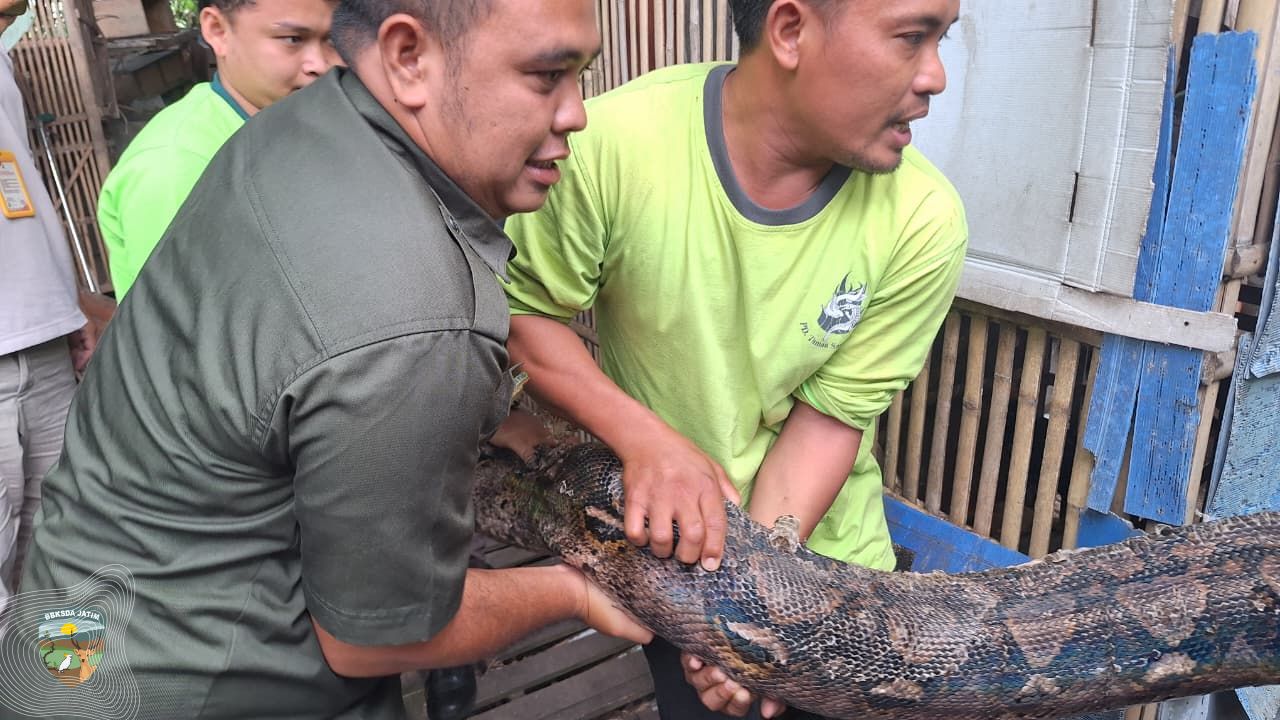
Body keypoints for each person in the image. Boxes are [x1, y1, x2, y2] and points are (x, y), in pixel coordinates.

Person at [18, 1, 650, 718]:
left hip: (76, 620)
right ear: (408, 56)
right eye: (545, 76)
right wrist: (580, 593)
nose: (576, 114)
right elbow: (374, 638)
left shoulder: (298, 125)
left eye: (581, 75)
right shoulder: (416, 315)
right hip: (195, 682)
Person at [502, 0, 966, 717]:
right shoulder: (611, 147)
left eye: (942, 39)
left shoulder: (923, 220)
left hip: (828, 563)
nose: (935, 75)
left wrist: (751, 615)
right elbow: (526, 315)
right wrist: (648, 441)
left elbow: (828, 422)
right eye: (911, 37)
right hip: (671, 554)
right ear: (790, 30)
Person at [98, 0, 340, 298]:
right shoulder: (176, 165)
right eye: (293, 39)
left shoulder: (305, 125)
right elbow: (189, 318)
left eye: (333, 39)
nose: (321, 64)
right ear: (218, 30)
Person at [0, 1, 107, 607]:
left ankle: (64, 671)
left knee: (62, 561)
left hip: (42, 343)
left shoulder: (2, 61)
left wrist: (66, 302)